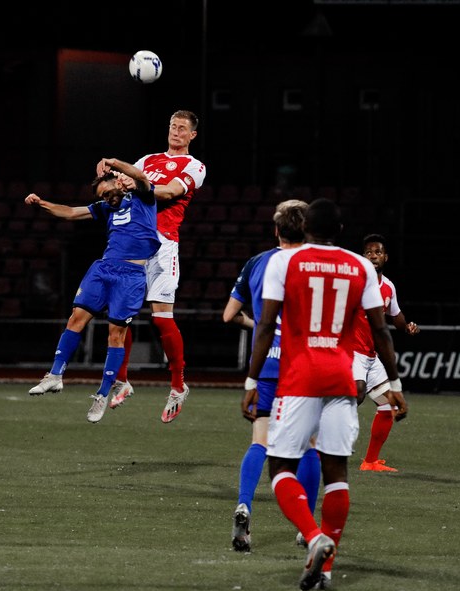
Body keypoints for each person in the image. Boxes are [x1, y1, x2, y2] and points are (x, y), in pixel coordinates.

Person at [242, 198, 408, 591]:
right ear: (340, 231)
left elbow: (265, 326)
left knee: (280, 468)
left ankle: (314, 536)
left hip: (299, 377)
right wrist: (396, 384)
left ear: (306, 228)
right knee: (337, 474)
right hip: (341, 377)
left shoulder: (285, 262)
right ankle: (327, 568)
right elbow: (381, 330)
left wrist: (251, 381)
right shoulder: (360, 266)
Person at [27, 157, 159, 424]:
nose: (106, 199)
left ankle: (102, 394)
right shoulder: (105, 208)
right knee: (76, 318)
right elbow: (70, 212)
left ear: (119, 184)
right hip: (103, 268)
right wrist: (42, 204)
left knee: (115, 335)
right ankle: (55, 375)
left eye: (108, 192)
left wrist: (114, 163)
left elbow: (141, 177)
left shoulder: (143, 198)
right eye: (102, 196)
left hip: (131, 275)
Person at [221, 199, 321, 553]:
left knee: (260, 440)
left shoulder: (257, 262)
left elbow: (229, 315)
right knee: (309, 445)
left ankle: (244, 504)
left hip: (266, 364)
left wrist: (261, 327)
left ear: (276, 229)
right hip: (305, 365)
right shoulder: (317, 263)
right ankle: (306, 527)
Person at [96, 109, 206, 423]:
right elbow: (123, 188)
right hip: (133, 242)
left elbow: (169, 192)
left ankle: (178, 385)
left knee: (161, 318)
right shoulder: (147, 160)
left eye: (182, 128)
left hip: (164, 244)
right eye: (172, 126)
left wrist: (136, 183)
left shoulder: (195, 166)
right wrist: (110, 177)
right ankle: (123, 381)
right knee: (119, 316)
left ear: (192, 135)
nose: (176, 131)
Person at [353, 233, 420, 472]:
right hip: (351, 352)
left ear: (385, 257)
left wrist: (407, 327)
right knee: (357, 393)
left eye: (378, 252)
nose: (373, 256)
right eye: (369, 252)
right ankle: (321, 442)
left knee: (389, 405)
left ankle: (370, 462)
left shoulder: (388, 287)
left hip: (371, 357)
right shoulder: (354, 283)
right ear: (363, 257)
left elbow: (396, 315)